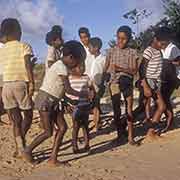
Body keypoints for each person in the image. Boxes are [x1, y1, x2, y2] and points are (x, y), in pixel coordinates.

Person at [22, 41, 88, 166]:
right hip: (46, 100)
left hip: (53, 101)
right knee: (48, 131)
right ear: (71, 57)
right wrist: (84, 95)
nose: (77, 65)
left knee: (62, 128)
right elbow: (68, 89)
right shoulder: (61, 67)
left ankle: (53, 159)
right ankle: (28, 150)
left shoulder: (62, 66)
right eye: (78, 62)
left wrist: (68, 101)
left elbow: (60, 89)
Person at [0, 18, 35, 157]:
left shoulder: (2, 50)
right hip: (20, 84)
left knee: (15, 120)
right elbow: (27, 65)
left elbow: (1, 71)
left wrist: (1, 89)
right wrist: (32, 82)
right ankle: (22, 141)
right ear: (18, 32)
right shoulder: (24, 46)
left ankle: (19, 147)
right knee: (28, 115)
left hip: (6, 86)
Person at [105, 26, 139, 145]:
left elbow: (134, 71)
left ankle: (130, 137)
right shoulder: (111, 51)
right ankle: (120, 135)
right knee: (116, 109)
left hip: (127, 83)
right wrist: (103, 79)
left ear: (129, 39)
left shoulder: (132, 52)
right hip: (113, 83)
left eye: (124, 39)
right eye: (119, 38)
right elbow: (106, 67)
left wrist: (120, 68)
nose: (120, 41)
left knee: (128, 110)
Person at [141, 28, 166, 138]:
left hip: (156, 81)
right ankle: (150, 132)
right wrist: (145, 85)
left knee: (142, 107)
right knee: (162, 106)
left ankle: (123, 122)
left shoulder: (159, 51)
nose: (163, 45)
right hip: (149, 81)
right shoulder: (149, 51)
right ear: (155, 39)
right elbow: (142, 68)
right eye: (162, 43)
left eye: (165, 44)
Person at [66, 64, 94, 154]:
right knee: (76, 126)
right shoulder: (69, 78)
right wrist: (67, 104)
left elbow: (91, 88)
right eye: (80, 67)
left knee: (85, 125)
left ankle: (87, 144)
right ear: (73, 68)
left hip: (85, 105)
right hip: (75, 106)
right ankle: (74, 146)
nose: (82, 68)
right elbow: (66, 91)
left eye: (83, 66)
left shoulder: (86, 77)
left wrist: (92, 97)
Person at [158, 27, 180, 132]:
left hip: (175, 77)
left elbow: (179, 62)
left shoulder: (173, 48)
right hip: (167, 77)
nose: (160, 42)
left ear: (167, 39)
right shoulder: (163, 48)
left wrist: (168, 63)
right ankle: (169, 120)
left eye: (162, 40)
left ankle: (170, 122)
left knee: (164, 98)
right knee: (163, 98)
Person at [88, 37, 106, 131]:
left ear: (96, 48)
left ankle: (96, 124)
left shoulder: (103, 59)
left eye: (90, 47)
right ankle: (95, 122)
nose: (88, 49)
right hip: (87, 85)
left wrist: (101, 84)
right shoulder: (88, 58)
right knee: (89, 104)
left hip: (97, 86)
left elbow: (104, 73)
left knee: (96, 104)